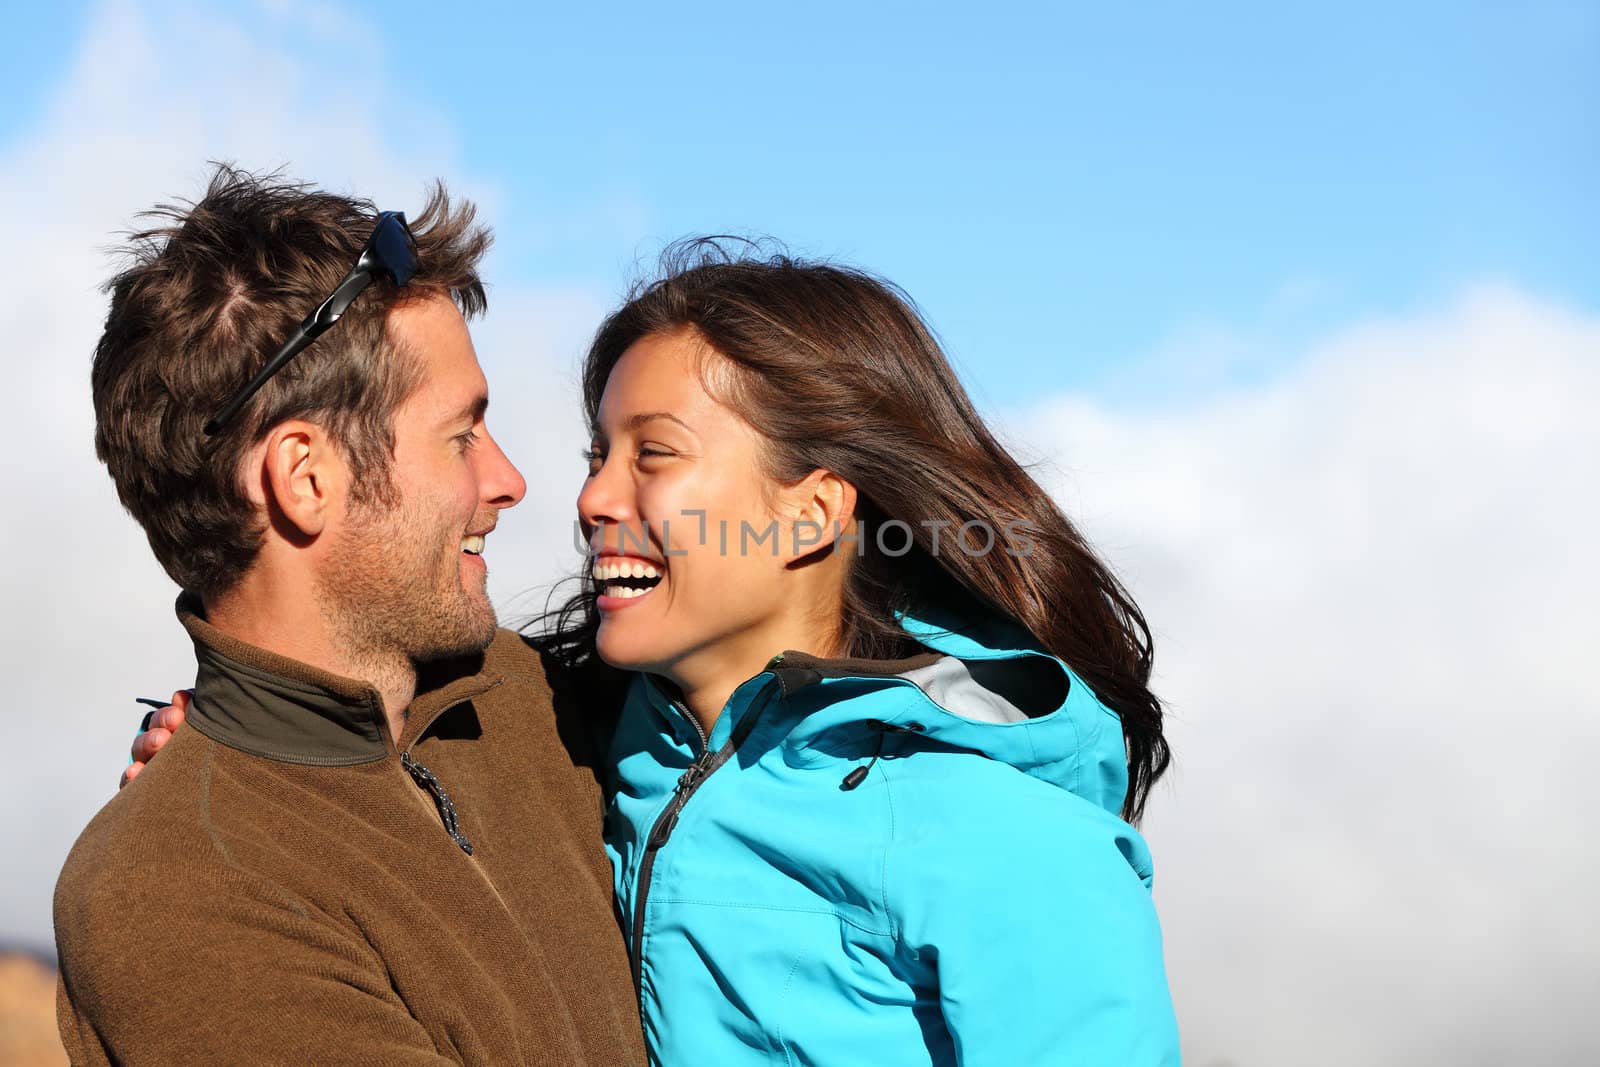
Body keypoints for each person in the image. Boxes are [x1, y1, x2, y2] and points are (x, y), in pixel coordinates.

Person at [132, 240, 1182, 1063]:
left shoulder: (1000, 838)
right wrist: (230, 733)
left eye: (655, 455)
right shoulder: (597, 747)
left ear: (811, 510)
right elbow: (367, 719)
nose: (590, 497)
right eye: (599, 451)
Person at [57, 166, 644, 1065]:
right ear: (306, 478)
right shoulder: (178, 884)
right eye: (462, 435)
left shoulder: (532, 697)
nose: (510, 481)